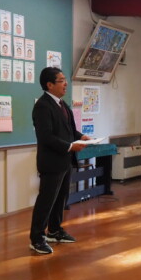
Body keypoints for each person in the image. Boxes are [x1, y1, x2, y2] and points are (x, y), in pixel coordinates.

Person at [29, 67, 89, 254]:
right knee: (46, 201)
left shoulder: (62, 104)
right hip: (51, 162)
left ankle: (54, 230)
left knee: (61, 198)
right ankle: (37, 238)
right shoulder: (42, 106)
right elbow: (46, 137)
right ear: (49, 85)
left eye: (65, 80)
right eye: (61, 80)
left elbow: (69, 130)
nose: (66, 84)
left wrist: (81, 137)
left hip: (65, 161)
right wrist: (70, 146)